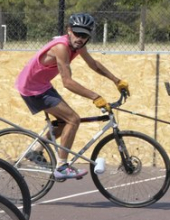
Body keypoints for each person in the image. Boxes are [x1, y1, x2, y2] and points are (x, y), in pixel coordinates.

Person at [15, 12, 129, 180]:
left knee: (64, 121)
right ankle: (62, 166)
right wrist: (95, 96)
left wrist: (116, 80)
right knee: (73, 119)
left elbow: (93, 64)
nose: (80, 38)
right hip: (32, 88)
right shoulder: (61, 47)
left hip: (42, 85)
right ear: (69, 30)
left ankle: (35, 151)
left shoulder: (78, 45)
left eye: (84, 35)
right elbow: (67, 82)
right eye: (77, 33)